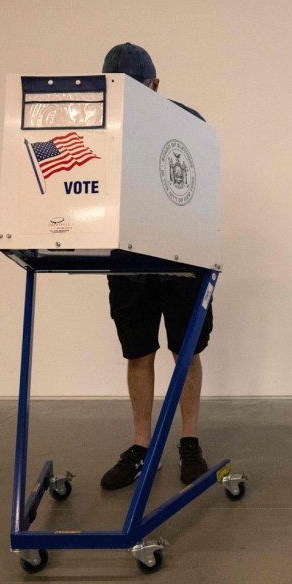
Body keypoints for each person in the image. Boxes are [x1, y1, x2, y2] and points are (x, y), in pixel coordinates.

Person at [98, 42, 212, 490]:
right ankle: (141, 446)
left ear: (155, 85)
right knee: (138, 352)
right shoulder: (101, 131)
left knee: (185, 351)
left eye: (136, 89)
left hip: (183, 259)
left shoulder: (188, 124)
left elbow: (203, 189)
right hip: (129, 262)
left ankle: (189, 440)